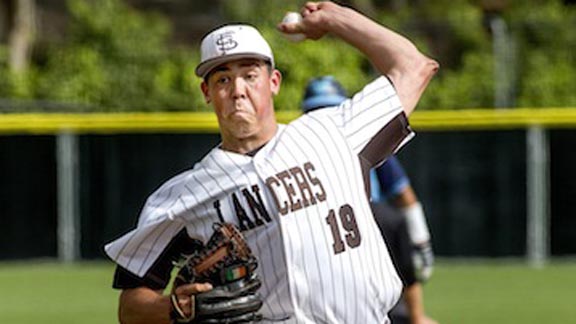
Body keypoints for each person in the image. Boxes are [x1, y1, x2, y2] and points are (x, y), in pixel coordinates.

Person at [104, 2, 439, 324]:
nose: (237, 90)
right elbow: (131, 308)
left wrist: (336, 19)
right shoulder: (181, 197)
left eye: (250, 75)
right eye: (222, 79)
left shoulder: (335, 131)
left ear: (273, 82)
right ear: (207, 92)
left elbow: (414, 66)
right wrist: (176, 308)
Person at [302, 76, 437, 324]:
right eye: (316, 110)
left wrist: (420, 239)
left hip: (373, 222)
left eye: (331, 108)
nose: (324, 115)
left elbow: (403, 194)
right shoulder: (296, 150)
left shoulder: (366, 142)